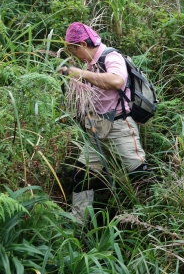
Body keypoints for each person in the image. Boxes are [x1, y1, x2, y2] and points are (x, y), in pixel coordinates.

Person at [59, 22, 151, 222]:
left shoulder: (111, 56)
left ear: (82, 44)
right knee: (81, 176)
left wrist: (80, 74)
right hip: (97, 129)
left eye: (74, 50)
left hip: (120, 126)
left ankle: (151, 219)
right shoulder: (90, 64)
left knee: (140, 175)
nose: (75, 56)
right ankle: (77, 222)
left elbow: (117, 81)